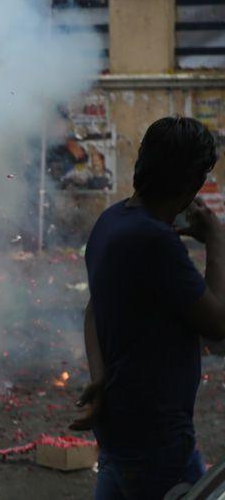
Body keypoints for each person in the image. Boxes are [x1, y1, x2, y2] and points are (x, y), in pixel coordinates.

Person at [72, 116, 224, 499]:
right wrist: (217, 241)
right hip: (156, 439)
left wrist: (100, 379)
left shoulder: (110, 222)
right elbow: (218, 323)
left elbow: (93, 310)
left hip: (119, 428)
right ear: (192, 183)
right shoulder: (156, 243)